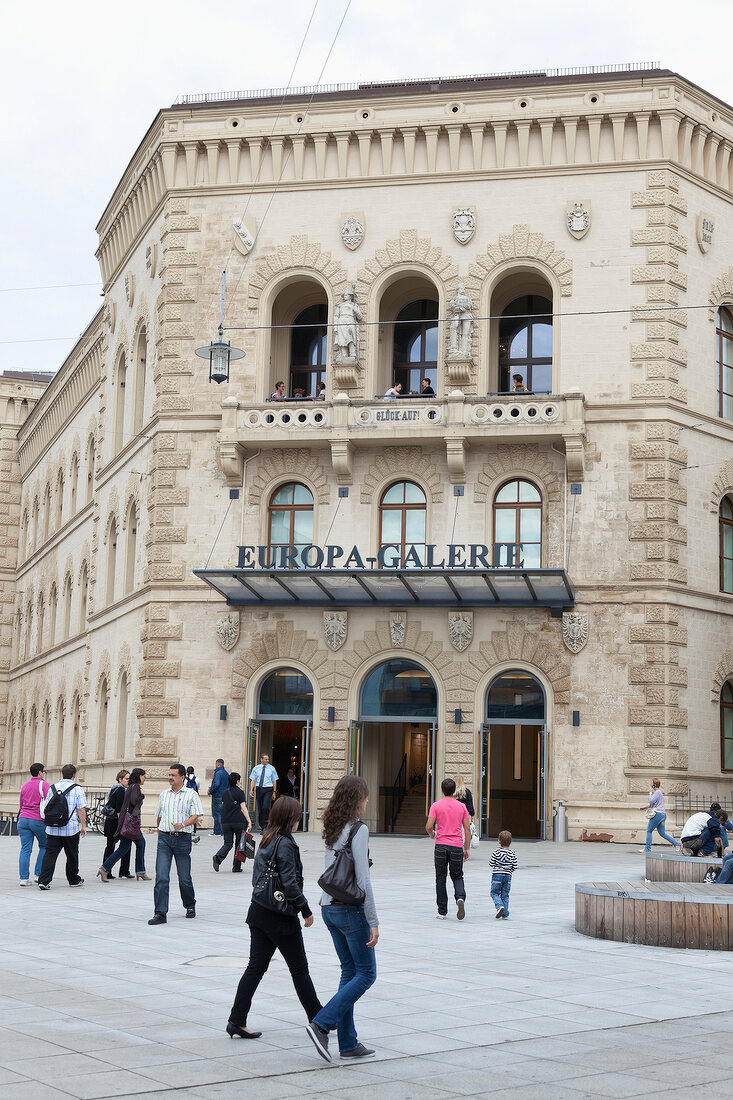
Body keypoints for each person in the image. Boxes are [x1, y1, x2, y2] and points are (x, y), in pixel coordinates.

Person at [226, 795, 321, 1040]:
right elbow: (289, 883)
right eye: (298, 814)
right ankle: (320, 1020)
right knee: (299, 970)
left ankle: (236, 1020)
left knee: (255, 968)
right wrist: (305, 909)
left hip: (258, 911)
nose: (300, 817)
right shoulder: (286, 843)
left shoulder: (267, 837)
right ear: (290, 817)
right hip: (280, 917)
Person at [306, 776, 378, 1064]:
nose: (368, 800)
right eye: (365, 795)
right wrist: (373, 919)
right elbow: (363, 879)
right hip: (350, 910)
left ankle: (348, 1043)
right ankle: (321, 1024)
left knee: (349, 972)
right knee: (366, 973)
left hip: (328, 907)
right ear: (357, 798)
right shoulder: (359, 829)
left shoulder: (333, 826)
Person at [148, 764, 204, 925]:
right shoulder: (164, 795)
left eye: (173, 775)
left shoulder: (191, 794)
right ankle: (160, 913)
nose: (170, 777)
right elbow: (159, 815)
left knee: (184, 877)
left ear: (182, 777)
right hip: (165, 839)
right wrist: (160, 830)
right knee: (162, 876)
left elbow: (196, 815)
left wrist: (183, 824)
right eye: (169, 775)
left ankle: (190, 905)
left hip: (183, 839)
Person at [426, 777, 471, 920]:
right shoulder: (462, 807)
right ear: (454, 791)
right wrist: (467, 848)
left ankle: (442, 911)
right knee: (457, 875)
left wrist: (432, 833)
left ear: (441, 790)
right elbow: (467, 829)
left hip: (440, 845)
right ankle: (460, 897)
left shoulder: (436, 805)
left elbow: (428, 826)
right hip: (457, 846)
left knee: (440, 878)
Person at [37, 764, 87, 890]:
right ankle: (73, 879)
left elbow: (46, 806)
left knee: (50, 855)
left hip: (52, 828)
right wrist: (84, 826)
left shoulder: (53, 787)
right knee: (72, 855)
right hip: (70, 829)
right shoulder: (77, 789)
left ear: (62, 774)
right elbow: (81, 809)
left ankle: (44, 880)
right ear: (74, 775)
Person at [97, 768, 149, 882]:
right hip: (131, 822)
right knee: (137, 844)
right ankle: (139, 871)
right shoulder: (135, 787)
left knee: (126, 847)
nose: (145, 778)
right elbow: (134, 801)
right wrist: (142, 795)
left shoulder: (130, 787)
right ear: (140, 776)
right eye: (144, 776)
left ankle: (105, 869)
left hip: (128, 822)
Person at [18, 762, 49, 886]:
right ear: (40, 772)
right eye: (43, 771)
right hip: (37, 820)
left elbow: (21, 804)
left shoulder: (25, 786)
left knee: (25, 849)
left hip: (23, 819)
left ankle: (24, 879)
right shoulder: (44, 784)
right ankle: (38, 874)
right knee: (44, 846)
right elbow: (48, 802)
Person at [214, 773, 252, 873]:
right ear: (237, 781)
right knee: (239, 844)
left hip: (225, 821)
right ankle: (236, 867)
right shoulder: (240, 792)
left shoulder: (225, 792)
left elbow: (223, 805)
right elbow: (243, 808)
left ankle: (218, 858)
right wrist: (249, 821)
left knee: (228, 843)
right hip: (238, 821)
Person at [102, 770, 132, 878]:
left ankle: (107, 870)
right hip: (116, 823)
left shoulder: (114, 788)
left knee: (111, 846)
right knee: (125, 846)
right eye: (126, 779)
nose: (128, 781)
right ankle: (121, 871)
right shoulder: (120, 790)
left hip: (111, 822)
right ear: (120, 779)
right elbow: (120, 810)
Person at [638, 778, 680, 853]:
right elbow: (652, 804)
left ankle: (647, 849)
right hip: (662, 815)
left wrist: (650, 793)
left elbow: (651, 800)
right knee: (662, 833)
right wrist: (643, 808)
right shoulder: (658, 793)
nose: (650, 784)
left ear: (654, 785)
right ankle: (676, 844)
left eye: (651, 783)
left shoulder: (657, 792)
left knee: (649, 831)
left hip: (657, 815)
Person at [489, 830, 518, 919]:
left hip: (497, 875)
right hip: (507, 876)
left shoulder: (496, 852)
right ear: (510, 842)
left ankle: (499, 906)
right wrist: (509, 871)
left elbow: (491, 863)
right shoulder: (512, 853)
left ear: (499, 841)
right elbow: (515, 866)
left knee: (494, 893)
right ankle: (505, 914)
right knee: (505, 895)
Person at [249, 753, 278, 833]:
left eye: (268, 759)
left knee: (265, 807)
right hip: (259, 789)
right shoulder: (256, 768)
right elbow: (253, 780)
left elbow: (274, 781)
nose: (267, 760)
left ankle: (266, 825)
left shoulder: (272, 768)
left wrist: (274, 792)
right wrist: (251, 790)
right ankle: (262, 826)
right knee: (260, 808)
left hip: (268, 789)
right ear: (261, 759)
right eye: (266, 759)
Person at [208, 758, 229, 836]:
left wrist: (211, 791)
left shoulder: (218, 773)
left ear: (218, 764)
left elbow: (216, 784)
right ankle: (221, 831)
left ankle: (217, 831)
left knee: (216, 814)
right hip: (224, 796)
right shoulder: (226, 773)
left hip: (217, 795)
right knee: (221, 814)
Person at [186, 767, 201, 842]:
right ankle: (194, 830)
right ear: (193, 771)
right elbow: (198, 786)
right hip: (194, 797)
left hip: (186, 797)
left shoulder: (185, 779)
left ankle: (188, 828)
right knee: (194, 813)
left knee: (187, 813)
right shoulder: (197, 778)